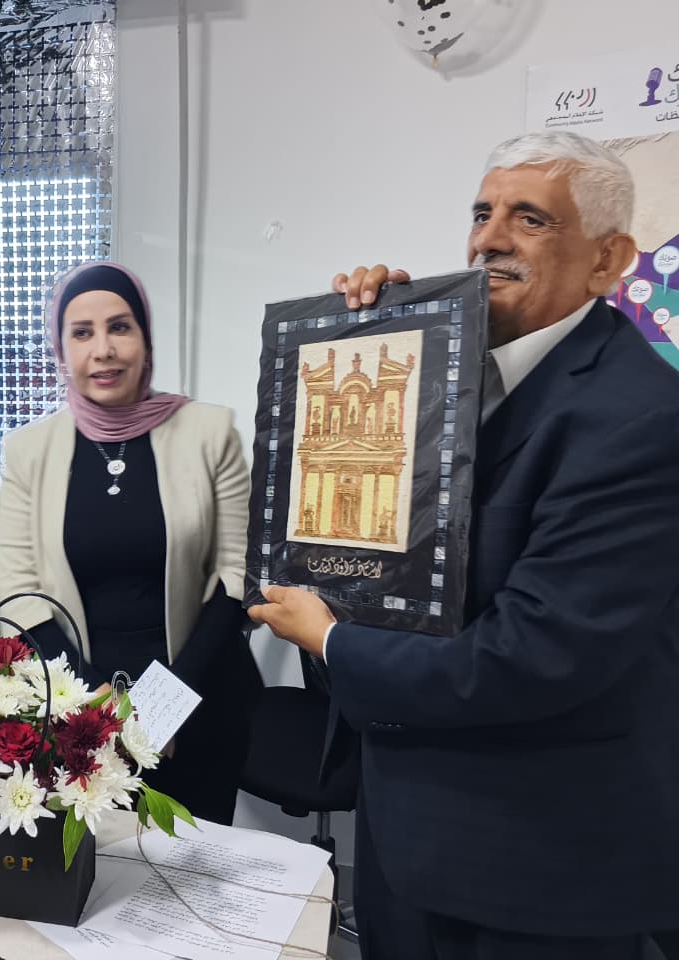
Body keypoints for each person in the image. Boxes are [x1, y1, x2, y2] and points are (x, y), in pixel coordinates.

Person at [250, 131, 679, 958]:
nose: (489, 239)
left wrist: (333, 641)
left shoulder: (639, 418)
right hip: (406, 840)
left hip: (538, 872)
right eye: (482, 214)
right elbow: (377, 548)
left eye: (531, 219)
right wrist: (375, 336)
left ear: (608, 261)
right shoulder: (438, 365)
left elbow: (533, 654)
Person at [0, 261, 255, 824]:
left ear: (145, 338)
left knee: (192, 865)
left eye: (119, 327)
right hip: (73, 708)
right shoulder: (28, 452)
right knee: (91, 870)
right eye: (82, 333)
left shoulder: (211, 433)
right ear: (61, 350)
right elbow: (18, 593)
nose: (103, 349)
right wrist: (97, 710)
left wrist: (159, 709)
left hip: (201, 695)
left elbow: (239, 575)